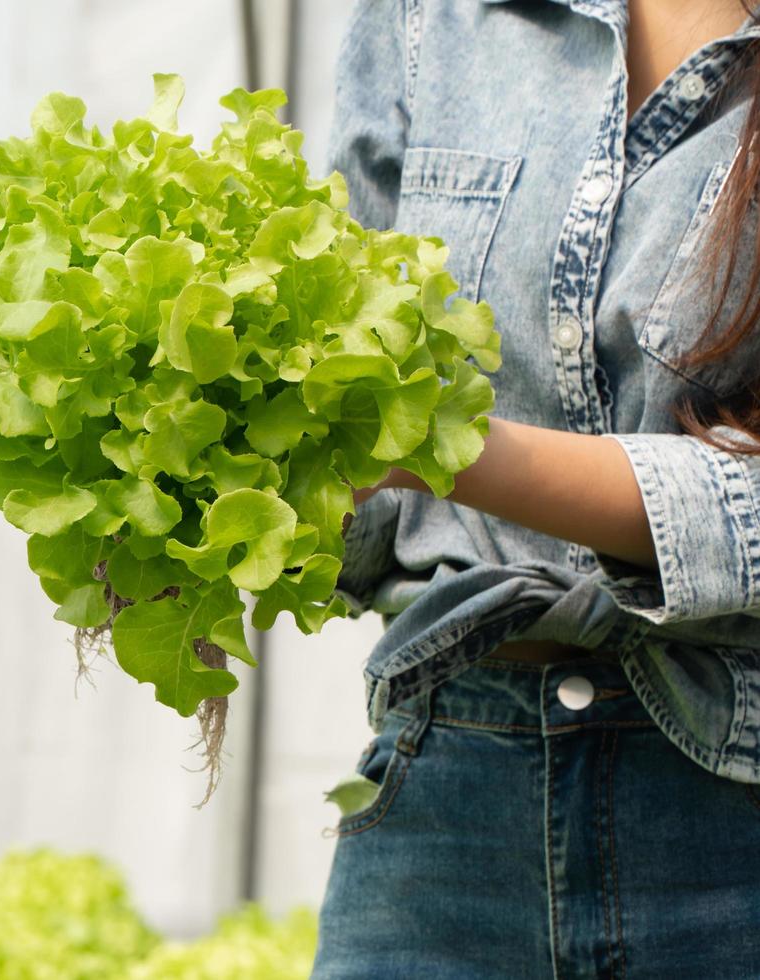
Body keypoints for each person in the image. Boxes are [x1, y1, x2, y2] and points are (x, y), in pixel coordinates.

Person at [314, 1, 760, 977]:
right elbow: (362, 484)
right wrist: (211, 481)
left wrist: (442, 441)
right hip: (446, 794)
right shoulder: (434, 17)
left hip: (733, 813)